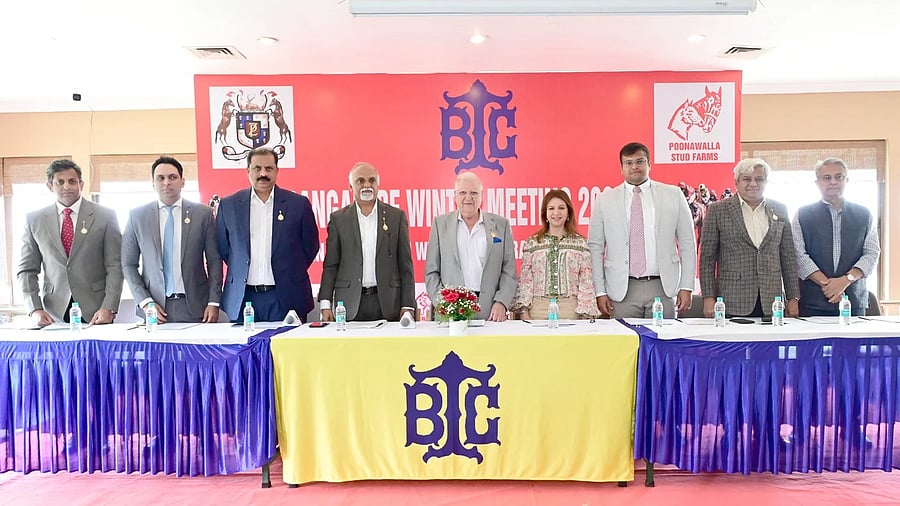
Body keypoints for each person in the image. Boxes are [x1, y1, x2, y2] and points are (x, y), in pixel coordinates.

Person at [587, 142, 696, 319]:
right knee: (625, 346)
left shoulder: (673, 195)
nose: (635, 166)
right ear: (621, 168)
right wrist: (599, 291)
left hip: (662, 286)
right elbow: (595, 247)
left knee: (663, 344)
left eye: (640, 161)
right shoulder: (605, 200)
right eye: (628, 163)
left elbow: (688, 244)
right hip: (622, 289)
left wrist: (686, 286)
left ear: (649, 164)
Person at [216, 147, 319, 322]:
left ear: (277, 171)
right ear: (248, 171)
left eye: (269, 168)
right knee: (246, 350)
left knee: (286, 349)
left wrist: (288, 270)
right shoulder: (229, 205)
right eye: (257, 168)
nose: (263, 173)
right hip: (244, 298)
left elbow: (310, 247)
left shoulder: (298, 205)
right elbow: (224, 248)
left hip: (287, 296)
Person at [18, 159, 123, 326]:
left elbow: (115, 266)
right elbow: (27, 270)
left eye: (72, 181)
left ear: (81, 184)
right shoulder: (34, 220)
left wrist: (109, 307)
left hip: (96, 310)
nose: (66, 186)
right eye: (60, 182)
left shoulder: (105, 216)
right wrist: (34, 308)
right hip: (52, 312)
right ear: (50, 186)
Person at [121, 156, 223, 323]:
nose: (166, 182)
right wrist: (145, 302)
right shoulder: (137, 217)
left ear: (182, 181)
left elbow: (214, 261)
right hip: (155, 309)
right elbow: (128, 264)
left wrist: (213, 301)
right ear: (153, 183)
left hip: (196, 307)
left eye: (172, 177)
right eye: (160, 178)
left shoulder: (202, 214)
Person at [700, 158, 800, 318]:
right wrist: (709, 298)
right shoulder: (717, 210)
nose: (753, 184)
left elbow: (788, 257)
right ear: (736, 182)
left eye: (759, 179)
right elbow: (707, 259)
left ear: (766, 182)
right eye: (747, 179)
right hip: (732, 299)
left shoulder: (780, 209)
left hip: (772, 301)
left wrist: (792, 297)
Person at [318, 162, 415, 321]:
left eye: (372, 180)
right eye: (360, 181)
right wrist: (325, 304)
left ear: (378, 185)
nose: (367, 185)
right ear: (350, 186)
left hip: (389, 304)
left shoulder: (396, 217)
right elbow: (331, 265)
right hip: (349, 305)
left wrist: (408, 305)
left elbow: (406, 266)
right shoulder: (338, 219)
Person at [792, 158, 880, 316]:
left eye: (838, 177)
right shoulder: (802, 214)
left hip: (852, 302)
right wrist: (829, 286)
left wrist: (845, 281)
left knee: (853, 342)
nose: (833, 182)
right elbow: (798, 255)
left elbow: (872, 253)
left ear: (846, 180)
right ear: (817, 182)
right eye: (827, 178)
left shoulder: (864, 214)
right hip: (812, 303)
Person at [425, 172, 517, 321]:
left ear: (482, 196)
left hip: (490, 313)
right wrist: (443, 304)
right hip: (451, 312)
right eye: (462, 192)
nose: (468, 198)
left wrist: (501, 302)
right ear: (455, 196)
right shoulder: (440, 224)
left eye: (474, 193)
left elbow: (509, 271)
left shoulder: (501, 225)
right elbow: (431, 272)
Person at [513, 190, 599, 319]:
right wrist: (524, 312)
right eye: (551, 208)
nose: (556, 213)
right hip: (538, 308)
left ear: (568, 212)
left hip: (570, 309)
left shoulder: (580, 243)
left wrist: (586, 314)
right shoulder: (533, 243)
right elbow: (525, 280)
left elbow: (585, 280)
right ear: (545, 214)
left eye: (561, 208)